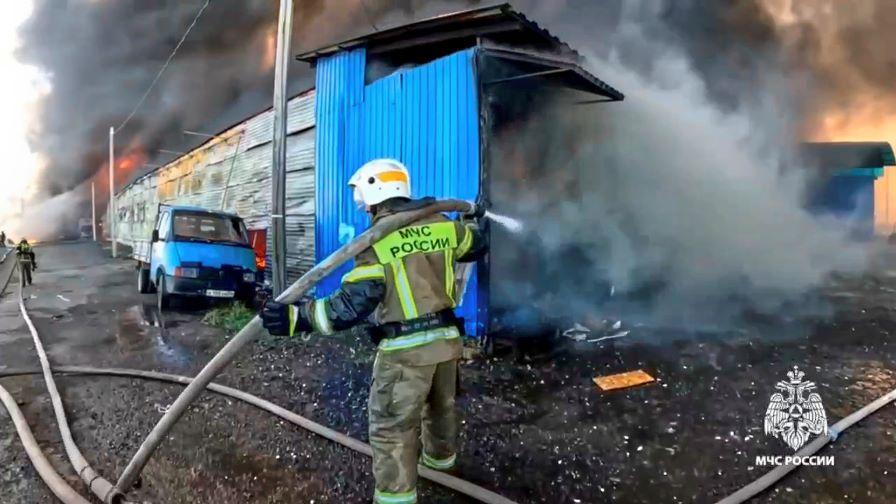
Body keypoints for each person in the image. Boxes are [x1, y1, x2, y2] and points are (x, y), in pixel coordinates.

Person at [260, 158, 487, 504]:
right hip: (446, 344)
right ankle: (443, 471)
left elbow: (352, 304)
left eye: (363, 198)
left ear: (375, 192)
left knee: (392, 428)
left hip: (406, 352)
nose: (363, 207)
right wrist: (471, 217)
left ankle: (396, 499)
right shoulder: (444, 225)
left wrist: (297, 318)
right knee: (440, 410)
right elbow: (476, 245)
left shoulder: (376, 241)